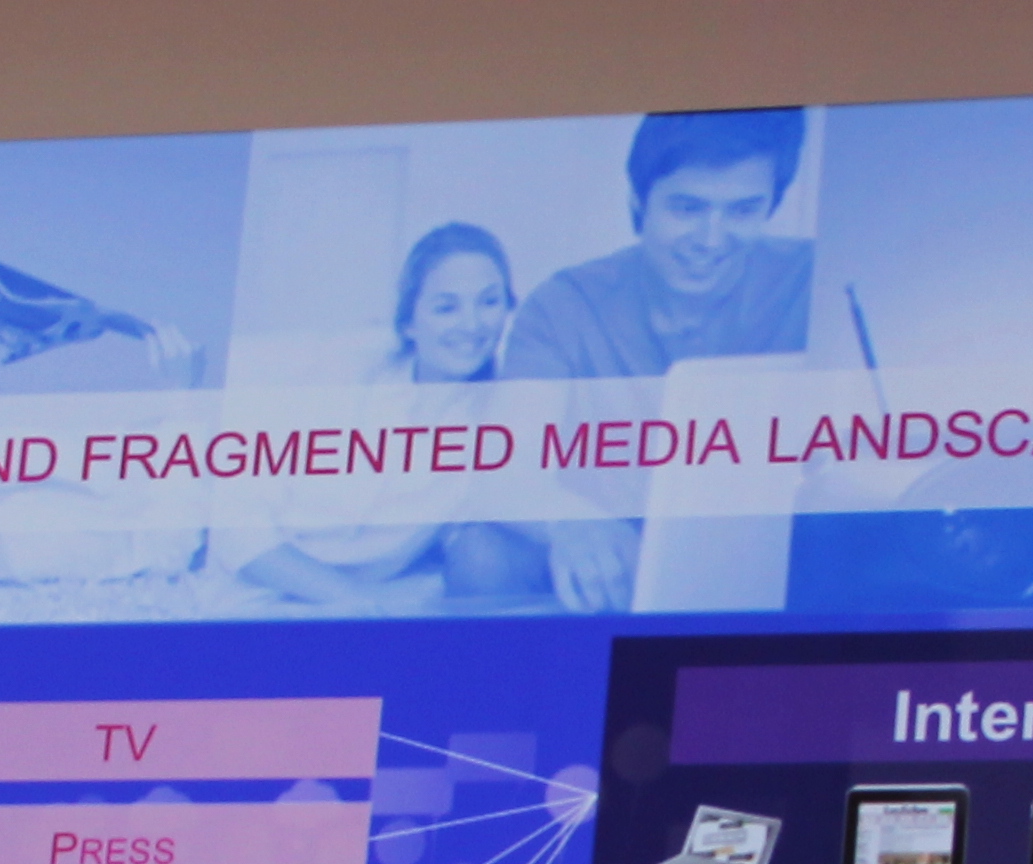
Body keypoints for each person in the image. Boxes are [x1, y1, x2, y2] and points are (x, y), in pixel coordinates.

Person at [459, 108, 814, 612]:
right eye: (687, 208)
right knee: (482, 553)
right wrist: (573, 523)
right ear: (637, 202)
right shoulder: (564, 303)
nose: (711, 239)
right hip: (611, 555)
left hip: (764, 538)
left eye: (742, 211)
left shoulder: (813, 279)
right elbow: (502, 471)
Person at [238, 223, 517, 607]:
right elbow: (238, 528)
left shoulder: (501, 423)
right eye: (446, 307)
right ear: (409, 322)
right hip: (253, 589)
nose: (472, 325)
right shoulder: (341, 378)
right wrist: (350, 597)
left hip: (358, 607)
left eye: (489, 302)